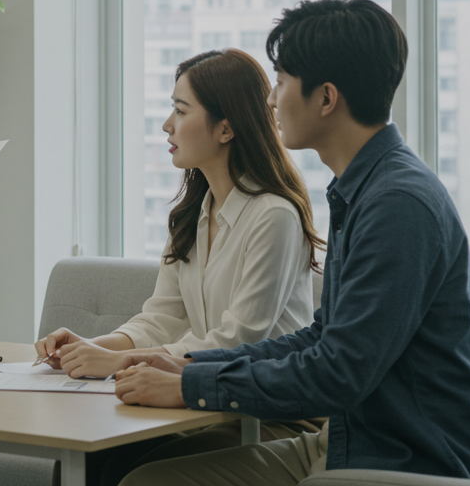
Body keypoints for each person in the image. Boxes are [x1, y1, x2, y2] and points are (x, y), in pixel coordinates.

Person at [114, 0, 470, 486]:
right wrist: (187, 362)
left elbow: (339, 372)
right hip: (346, 440)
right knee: (141, 475)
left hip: (408, 459)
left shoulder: (398, 204)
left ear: (325, 98)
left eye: (280, 82)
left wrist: (191, 385)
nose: (271, 100)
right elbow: (323, 336)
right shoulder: (362, 189)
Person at [34, 49, 325, 486]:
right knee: (90, 462)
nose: (168, 125)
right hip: (200, 408)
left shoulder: (273, 215)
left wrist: (115, 361)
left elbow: (238, 339)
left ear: (225, 127)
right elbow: (162, 317)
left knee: (123, 470)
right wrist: (90, 348)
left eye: (180, 110)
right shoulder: (194, 213)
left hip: (267, 418)